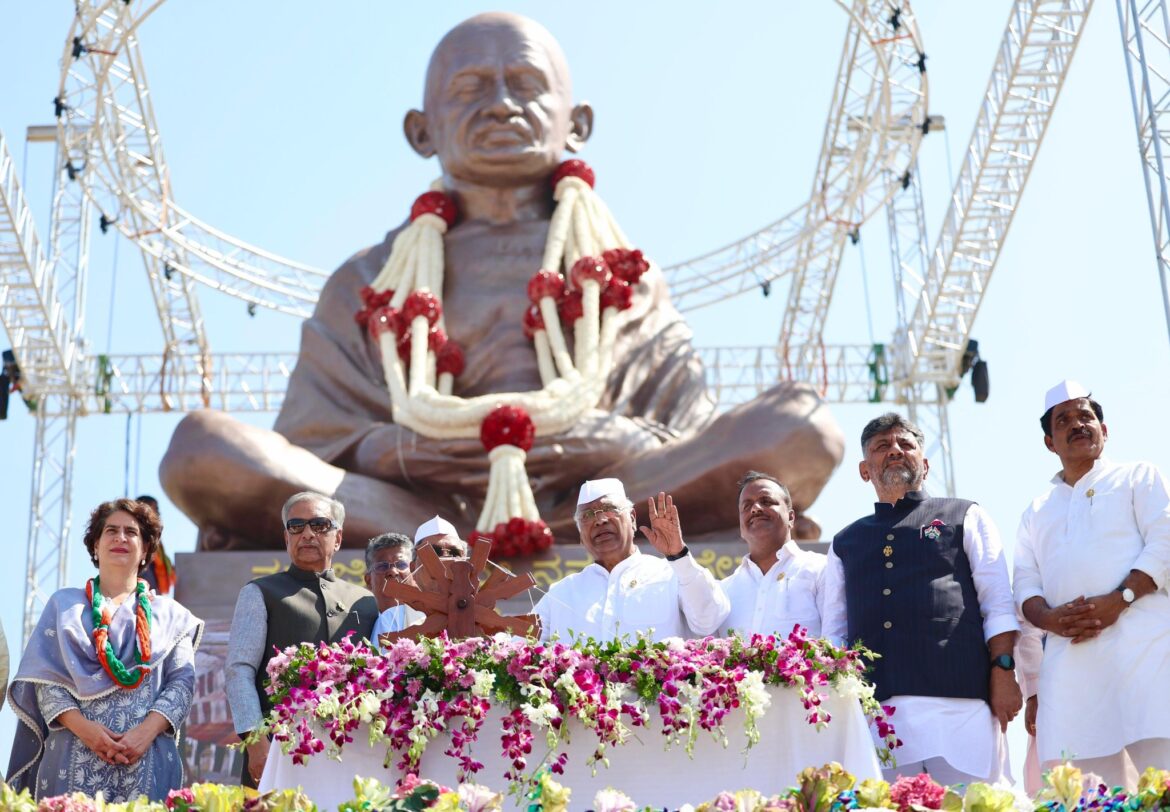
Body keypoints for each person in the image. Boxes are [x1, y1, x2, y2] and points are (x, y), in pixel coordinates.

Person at [159, 11, 844, 551]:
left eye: (526, 84)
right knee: (201, 450)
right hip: (409, 500)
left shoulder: (620, 272)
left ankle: (560, 527)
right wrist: (397, 449)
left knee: (802, 430)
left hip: (604, 487)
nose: (500, 105)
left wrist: (611, 443)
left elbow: (682, 430)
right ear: (421, 130)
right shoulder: (368, 279)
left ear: (578, 124)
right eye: (469, 89)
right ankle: (487, 536)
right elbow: (314, 439)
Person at [822, 413, 1021, 786]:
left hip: (960, 706)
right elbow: (834, 631)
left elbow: (997, 603)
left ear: (925, 464)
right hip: (878, 713)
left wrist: (1004, 670)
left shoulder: (964, 515)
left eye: (905, 444)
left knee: (975, 805)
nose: (895, 451)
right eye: (882, 446)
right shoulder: (845, 542)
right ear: (864, 471)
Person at [1014, 380, 1170, 789]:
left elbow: (1164, 540)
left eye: (1086, 416)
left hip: (1144, 654)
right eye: (1064, 420)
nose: (1077, 424)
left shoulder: (1138, 476)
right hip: (1070, 671)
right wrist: (1049, 619)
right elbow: (1025, 585)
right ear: (1050, 442)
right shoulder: (1036, 511)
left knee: (1162, 782)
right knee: (1083, 794)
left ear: (1105, 429)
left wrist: (1121, 599)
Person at [6, 499, 203, 800]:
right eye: (111, 530)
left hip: (147, 760)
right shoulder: (64, 607)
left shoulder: (172, 616)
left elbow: (182, 683)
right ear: (95, 546)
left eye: (131, 532)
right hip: (71, 758)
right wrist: (86, 731)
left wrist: (144, 733)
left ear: (146, 549)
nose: (120, 538)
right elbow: (46, 683)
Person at [224, 491, 378, 787]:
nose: (307, 534)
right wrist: (256, 741)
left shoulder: (366, 601)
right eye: (296, 526)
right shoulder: (261, 592)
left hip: (353, 755)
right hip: (278, 752)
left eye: (320, 525)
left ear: (338, 538)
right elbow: (238, 671)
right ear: (286, 538)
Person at [534, 478, 730, 642]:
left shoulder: (673, 575)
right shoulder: (562, 593)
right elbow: (523, 647)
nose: (600, 520)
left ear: (633, 518)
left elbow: (709, 621)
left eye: (609, 509)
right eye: (587, 515)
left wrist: (679, 556)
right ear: (580, 534)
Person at [718, 471, 827, 638]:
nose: (755, 509)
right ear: (740, 527)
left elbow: (836, 638)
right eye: (746, 506)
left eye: (766, 501)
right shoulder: (723, 592)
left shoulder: (821, 568)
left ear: (791, 517)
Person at [365, 532, 426, 646]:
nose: (393, 572)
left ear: (414, 573)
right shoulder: (358, 622)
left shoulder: (429, 618)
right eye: (382, 566)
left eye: (401, 565)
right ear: (368, 580)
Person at [135, 495, 176, 594]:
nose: (158, 513)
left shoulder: (155, 539)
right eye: (155, 509)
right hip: (139, 592)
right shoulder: (135, 535)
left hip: (153, 593)